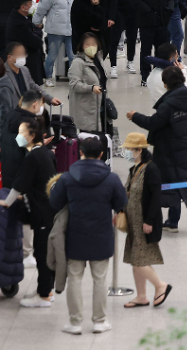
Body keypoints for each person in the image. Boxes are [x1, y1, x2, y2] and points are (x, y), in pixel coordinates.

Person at [49, 137, 127, 335]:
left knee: (74, 278)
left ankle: (75, 322)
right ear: (101, 154)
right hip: (102, 236)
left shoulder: (67, 177)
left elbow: (55, 203)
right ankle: (99, 321)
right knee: (100, 279)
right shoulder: (112, 179)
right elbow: (121, 204)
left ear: (80, 153)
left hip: (75, 236)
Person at [127, 66, 187, 231]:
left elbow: (153, 123)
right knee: (180, 186)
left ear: (165, 84)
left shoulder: (167, 104)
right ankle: (172, 221)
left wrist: (134, 116)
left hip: (169, 152)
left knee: (182, 187)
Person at [0, 119, 55, 307]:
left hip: (42, 213)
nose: (19, 137)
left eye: (22, 133)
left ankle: (44, 296)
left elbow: (19, 184)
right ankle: (45, 290)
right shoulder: (45, 153)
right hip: (46, 209)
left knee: (42, 253)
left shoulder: (33, 157)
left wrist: (6, 202)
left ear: (32, 136)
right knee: (45, 252)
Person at [119, 132, 171, 309]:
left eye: (129, 149)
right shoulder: (134, 169)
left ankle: (160, 285)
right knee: (136, 259)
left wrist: (148, 221)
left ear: (139, 150)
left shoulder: (151, 169)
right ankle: (141, 296)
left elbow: (156, 197)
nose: (126, 152)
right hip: (133, 222)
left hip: (144, 222)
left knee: (139, 260)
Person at [131, 0, 175, 85]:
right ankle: (145, 76)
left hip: (163, 22)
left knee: (163, 50)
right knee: (146, 50)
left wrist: (169, 10)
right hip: (147, 22)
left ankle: (162, 75)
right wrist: (148, 11)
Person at [33, 0, 76, 86]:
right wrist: (37, 22)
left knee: (73, 56)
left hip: (71, 28)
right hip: (55, 29)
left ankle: (74, 77)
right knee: (52, 55)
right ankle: (48, 77)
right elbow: (42, 7)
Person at [0, 45, 59, 124]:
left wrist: (49, 98)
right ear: (9, 57)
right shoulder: (3, 74)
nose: (22, 57)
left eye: (24, 54)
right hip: (12, 118)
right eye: (19, 55)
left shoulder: (25, 70)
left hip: (27, 113)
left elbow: (33, 86)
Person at [79, 0, 118, 74]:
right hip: (89, 16)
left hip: (104, 16)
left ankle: (100, 62)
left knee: (105, 44)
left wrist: (111, 17)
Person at [68, 32, 107, 133]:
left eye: (93, 44)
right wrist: (91, 88)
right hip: (85, 109)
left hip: (99, 105)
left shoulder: (98, 60)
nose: (91, 47)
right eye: (87, 44)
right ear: (82, 46)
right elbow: (74, 84)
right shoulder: (78, 62)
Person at [6, 0, 44, 85]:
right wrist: (38, 30)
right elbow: (36, 42)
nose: (32, 6)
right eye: (30, 3)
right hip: (27, 63)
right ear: (23, 7)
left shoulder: (22, 18)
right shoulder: (19, 24)